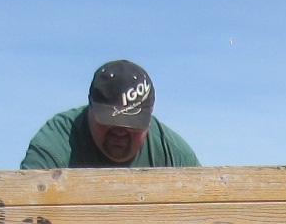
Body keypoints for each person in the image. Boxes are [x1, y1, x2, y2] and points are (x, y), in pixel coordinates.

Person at [20, 60, 199, 169]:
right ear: (90, 105)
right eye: (110, 122)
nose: (120, 132)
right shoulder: (55, 142)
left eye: (132, 124)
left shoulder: (176, 156)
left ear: (151, 113)